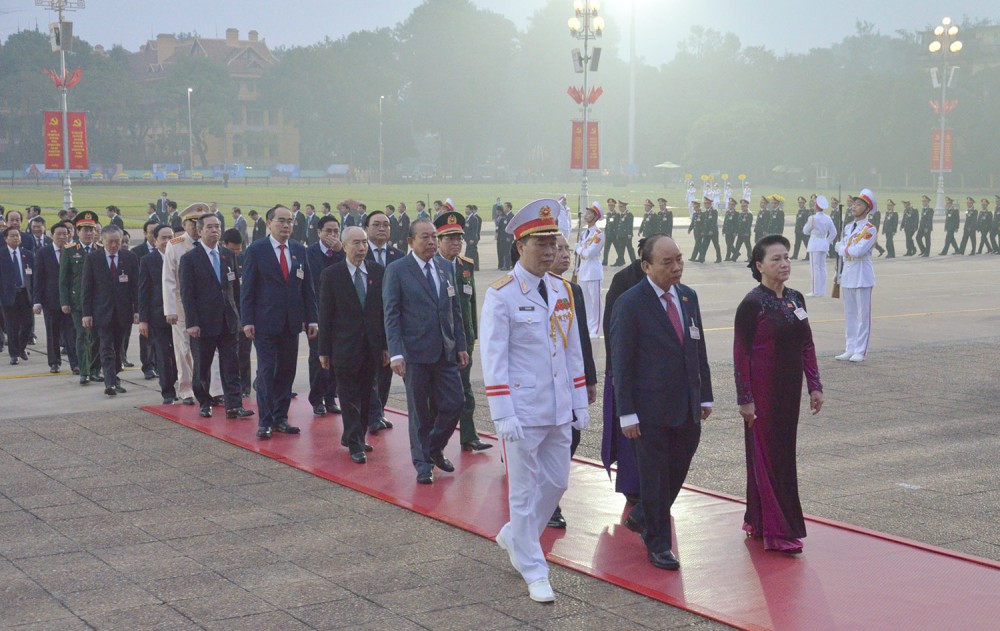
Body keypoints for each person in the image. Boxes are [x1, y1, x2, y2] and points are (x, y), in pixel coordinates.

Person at [482, 198, 588, 603]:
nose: (549, 252)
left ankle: (515, 535)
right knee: (523, 493)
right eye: (540, 244)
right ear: (520, 246)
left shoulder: (562, 289)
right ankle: (532, 566)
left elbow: (572, 348)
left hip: (559, 405)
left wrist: (579, 400)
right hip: (523, 411)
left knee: (557, 482)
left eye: (553, 244)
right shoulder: (503, 295)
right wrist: (502, 411)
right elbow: (494, 358)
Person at [610, 235, 713, 571]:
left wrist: (705, 394)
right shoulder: (631, 302)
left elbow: (698, 348)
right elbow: (621, 362)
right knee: (653, 476)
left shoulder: (688, 296)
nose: (676, 268)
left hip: (686, 404)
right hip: (648, 409)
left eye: (679, 260)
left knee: (678, 467)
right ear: (647, 266)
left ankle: (643, 515)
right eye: (667, 263)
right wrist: (626, 413)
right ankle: (658, 545)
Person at [734, 234, 823, 554]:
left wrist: (814, 385)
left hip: (789, 392)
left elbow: (807, 344)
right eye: (776, 259)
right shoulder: (752, 304)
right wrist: (745, 398)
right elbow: (741, 354)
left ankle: (759, 519)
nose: (784, 263)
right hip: (763, 394)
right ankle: (777, 529)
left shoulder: (796, 298)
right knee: (768, 457)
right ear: (759, 266)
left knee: (781, 457)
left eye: (787, 257)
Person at [382, 218, 468, 484]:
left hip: (445, 351)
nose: (431, 242)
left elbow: (454, 310)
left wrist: (461, 346)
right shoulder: (397, 270)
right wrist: (396, 353)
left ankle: (432, 449)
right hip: (415, 353)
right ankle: (422, 464)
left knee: (455, 403)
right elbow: (391, 314)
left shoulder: (444, 267)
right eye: (425, 237)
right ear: (410, 242)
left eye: (434, 237)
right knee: (419, 411)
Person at [241, 205, 319, 439]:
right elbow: (248, 289)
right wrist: (247, 321)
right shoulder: (256, 250)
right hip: (264, 322)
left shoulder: (298, 250)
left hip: (291, 323)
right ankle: (265, 420)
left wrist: (312, 318)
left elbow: (307, 288)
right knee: (266, 372)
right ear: (269, 224)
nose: (286, 225)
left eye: (290, 221)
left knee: (287, 370)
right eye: (281, 221)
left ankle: (281, 418)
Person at [318, 226, 387, 463]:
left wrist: (386, 346)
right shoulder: (332, 275)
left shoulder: (378, 272)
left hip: (372, 347)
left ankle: (356, 434)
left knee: (368, 395)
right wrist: (323, 350)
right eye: (356, 243)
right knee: (348, 396)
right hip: (344, 348)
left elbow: (383, 313)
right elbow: (325, 315)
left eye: (364, 243)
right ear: (344, 246)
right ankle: (355, 442)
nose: (361, 248)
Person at [179, 214, 254, 420]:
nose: (215, 230)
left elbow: (235, 288)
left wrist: (241, 317)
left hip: (228, 320)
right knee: (202, 366)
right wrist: (192, 323)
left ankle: (234, 405)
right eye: (210, 227)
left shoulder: (227, 255)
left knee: (231, 364)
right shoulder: (190, 259)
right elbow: (187, 295)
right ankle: (204, 401)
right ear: (200, 231)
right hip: (203, 322)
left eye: (217, 226)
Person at [547, 232, 597, 528]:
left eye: (568, 249)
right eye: (559, 249)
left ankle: (551, 491)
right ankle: (548, 503)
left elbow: (581, 341)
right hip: (544, 383)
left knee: (572, 434)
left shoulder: (572, 290)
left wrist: (588, 378)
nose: (565, 254)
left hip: (569, 379)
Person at [434, 210, 490, 453]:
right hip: (440, 341)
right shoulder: (432, 266)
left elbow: (471, 302)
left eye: (459, 238)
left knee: (465, 390)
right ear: (438, 241)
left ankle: (469, 436)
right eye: (450, 239)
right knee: (436, 394)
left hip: (463, 340)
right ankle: (434, 442)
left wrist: (473, 335)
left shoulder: (466, 266)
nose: (456, 243)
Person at [599, 238, 646, 507]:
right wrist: (615, 368)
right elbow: (611, 328)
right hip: (626, 370)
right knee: (629, 433)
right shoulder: (624, 280)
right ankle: (631, 486)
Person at [163, 204, 224, 406]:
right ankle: (186, 389)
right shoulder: (176, 244)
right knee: (184, 348)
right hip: (183, 304)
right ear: (185, 224)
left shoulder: (213, 244)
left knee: (212, 348)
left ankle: (215, 390)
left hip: (208, 305)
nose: (195, 227)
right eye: (191, 223)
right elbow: (169, 279)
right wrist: (170, 309)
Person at [81, 225, 138, 396]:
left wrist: (137, 310)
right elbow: (87, 288)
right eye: (110, 241)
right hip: (102, 312)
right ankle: (110, 383)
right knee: (106, 347)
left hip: (123, 312)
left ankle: (115, 376)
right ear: (102, 241)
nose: (114, 245)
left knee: (119, 348)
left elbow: (136, 287)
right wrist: (87, 313)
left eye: (117, 241)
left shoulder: (130, 257)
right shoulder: (93, 258)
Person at [364, 211, 404, 432]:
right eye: (377, 224)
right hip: (366, 322)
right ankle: (371, 414)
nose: (382, 229)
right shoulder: (360, 250)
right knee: (368, 372)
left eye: (386, 225)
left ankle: (379, 411)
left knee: (386, 371)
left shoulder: (397, 255)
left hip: (390, 322)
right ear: (367, 228)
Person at [305, 215, 345, 417]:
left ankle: (331, 397)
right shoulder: (308, 253)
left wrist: (340, 251)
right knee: (318, 357)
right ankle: (316, 398)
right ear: (318, 232)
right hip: (317, 313)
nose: (332, 235)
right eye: (328, 231)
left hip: (339, 314)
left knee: (336, 357)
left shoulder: (342, 252)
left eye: (335, 231)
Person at [835, 189, 878, 362]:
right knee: (850, 314)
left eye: (859, 204)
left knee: (863, 315)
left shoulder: (870, 229)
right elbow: (847, 251)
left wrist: (841, 249)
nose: (854, 207)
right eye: (853, 203)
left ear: (867, 209)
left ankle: (860, 350)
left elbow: (859, 250)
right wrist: (838, 272)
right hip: (848, 273)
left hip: (862, 273)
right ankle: (849, 348)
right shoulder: (847, 227)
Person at [138, 224, 179, 404]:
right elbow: (143, 291)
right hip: (157, 316)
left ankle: (181, 383)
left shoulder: (182, 257)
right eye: (163, 238)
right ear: (155, 240)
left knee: (181, 354)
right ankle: (168, 392)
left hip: (180, 316)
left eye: (171, 236)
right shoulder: (148, 260)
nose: (168, 241)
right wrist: (143, 320)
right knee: (163, 355)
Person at [60, 211, 102, 384]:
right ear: (77, 232)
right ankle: (84, 371)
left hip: (98, 301)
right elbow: (63, 279)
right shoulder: (70, 251)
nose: (88, 233)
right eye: (84, 230)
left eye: (91, 230)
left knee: (97, 336)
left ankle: (95, 370)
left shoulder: (100, 249)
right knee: (83, 336)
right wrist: (64, 302)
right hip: (77, 301)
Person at [32, 221, 76, 373]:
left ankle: (75, 363)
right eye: (59, 234)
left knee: (72, 333)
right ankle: (54, 362)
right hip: (50, 300)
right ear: (51, 235)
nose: (62, 237)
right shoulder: (43, 253)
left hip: (70, 300)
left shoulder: (73, 251)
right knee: (53, 332)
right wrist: (37, 301)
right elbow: (37, 279)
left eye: (65, 234)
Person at [221, 228, 252, 398]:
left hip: (243, 314)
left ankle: (245, 387)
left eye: (238, 250)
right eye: (232, 250)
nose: (235, 253)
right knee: (229, 356)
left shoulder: (245, 259)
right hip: (225, 314)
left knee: (244, 353)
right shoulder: (219, 260)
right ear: (223, 244)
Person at [130, 219, 160, 380]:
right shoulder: (137, 252)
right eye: (151, 232)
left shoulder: (167, 250)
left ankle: (159, 365)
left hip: (161, 301)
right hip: (145, 299)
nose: (155, 236)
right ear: (145, 233)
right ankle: (148, 365)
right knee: (146, 336)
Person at [1, 226, 33, 364]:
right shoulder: (1, 255)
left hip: (25, 294)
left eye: (17, 235)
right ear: (5, 239)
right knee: (12, 325)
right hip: (8, 295)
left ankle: (21, 348)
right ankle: (14, 354)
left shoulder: (28, 254)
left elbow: (34, 276)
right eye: (12, 236)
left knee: (27, 324)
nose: (15, 238)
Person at [574, 201, 605, 337]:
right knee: (585, 302)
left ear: (595, 216)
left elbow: (588, 253)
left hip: (593, 271)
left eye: (589, 213)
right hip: (584, 271)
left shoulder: (598, 234)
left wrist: (578, 248)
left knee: (596, 303)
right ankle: (587, 327)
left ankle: (596, 329)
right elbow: (582, 255)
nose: (586, 215)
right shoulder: (584, 233)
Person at [801, 195, 836, 297]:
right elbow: (834, 233)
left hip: (815, 244)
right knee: (822, 267)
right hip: (824, 243)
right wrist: (827, 241)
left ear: (816, 206)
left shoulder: (812, 218)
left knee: (814, 268)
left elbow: (805, 231)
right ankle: (821, 290)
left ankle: (815, 291)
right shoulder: (828, 218)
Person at [463, 203, 481, 270]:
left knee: (471, 253)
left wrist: (472, 239)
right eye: (465, 209)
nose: (466, 211)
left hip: (472, 239)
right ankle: (472, 266)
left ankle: (475, 266)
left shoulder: (474, 219)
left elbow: (474, 230)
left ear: (471, 210)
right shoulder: (466, 218)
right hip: (467, 238)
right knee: (471, 252)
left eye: (467, 209)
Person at [495, 202, 512, 270]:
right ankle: (504, 265)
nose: (503, 208)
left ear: (509, 208)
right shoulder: (506, 216)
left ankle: (507, 266)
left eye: (505, 207)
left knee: (507, 252)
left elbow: (511, 228)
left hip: (507, 237)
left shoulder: (511, 216)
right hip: (503, 237)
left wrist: (509, 237)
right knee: (504, 251)